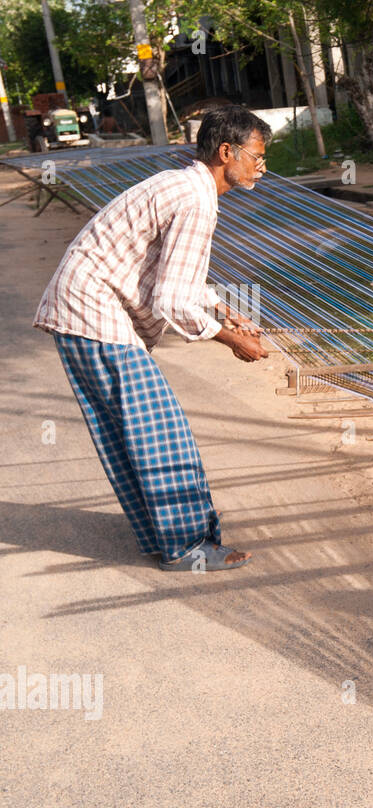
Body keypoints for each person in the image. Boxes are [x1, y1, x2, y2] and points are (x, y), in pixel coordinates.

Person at [33, 104, 272, 572]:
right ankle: (187, 548)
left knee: (133, 432)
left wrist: (224, 309)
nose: (261, 166)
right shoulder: (197, 200)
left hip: (83, 306)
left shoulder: (185, 186)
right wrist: (231, 340)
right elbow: (173, 298)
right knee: (159, 432)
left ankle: (163, 539)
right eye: (256, 155)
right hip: (93, 310)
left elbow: (175, 278)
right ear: (227, 152)